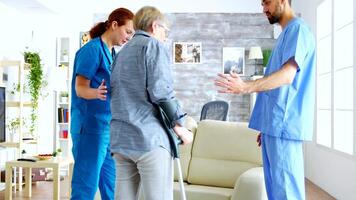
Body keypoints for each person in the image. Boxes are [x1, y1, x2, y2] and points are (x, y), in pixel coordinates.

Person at [215, 0, 316, 199]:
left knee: (286, 192)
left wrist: (245, 86)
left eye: (267, 3)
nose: (263, 9)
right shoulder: (284, 36)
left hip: (284, 126)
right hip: (274, 126)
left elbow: (287, 77)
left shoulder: (298, 30)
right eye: (262, 4)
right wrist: (266, 125)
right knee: (275, 192)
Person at [110, 6, 193, 200]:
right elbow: (162, 92)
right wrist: (180, 128)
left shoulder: (120, 54)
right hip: (149, 140)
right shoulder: (154, 46)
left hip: (122, 141)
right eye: (165, 30)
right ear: (155, 26)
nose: (165, 35)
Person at [70, 8, 134, 200]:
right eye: (128, 31)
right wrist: (96, 92)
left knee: (112, 186)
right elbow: (80, 88)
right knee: (85, 186)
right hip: (89, 129)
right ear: (114, 25)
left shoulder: (112, 53)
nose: (129, 37)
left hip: (107, 128)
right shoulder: (91, 50)